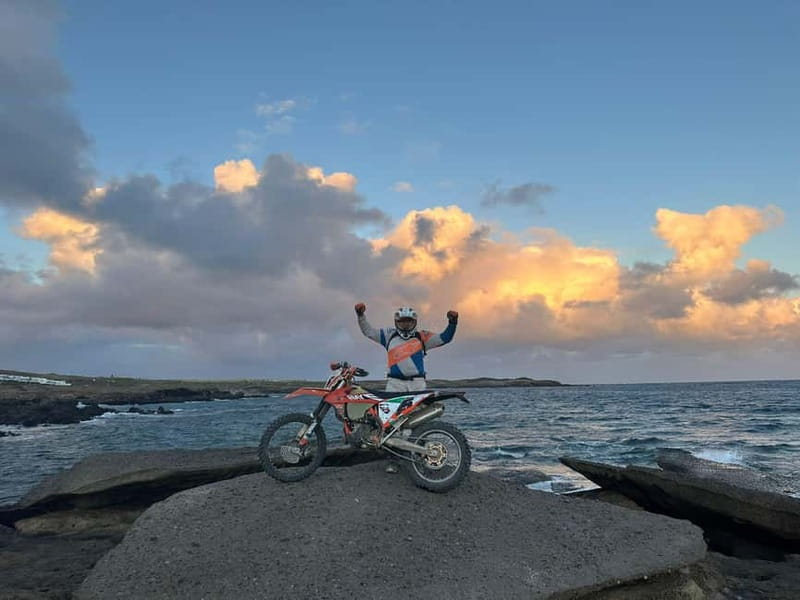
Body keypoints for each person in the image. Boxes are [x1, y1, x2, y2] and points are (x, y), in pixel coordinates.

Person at [354, 303, 458, 392]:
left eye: (409, 321)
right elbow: (369, 332)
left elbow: (445, 338)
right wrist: (360, 315)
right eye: (402, 321)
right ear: (396, 322)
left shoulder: (422, 337)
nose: (405, 325)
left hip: (417, 383)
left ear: (414, 322)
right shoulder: (388, 336)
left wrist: (452, 322)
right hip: (395, 384)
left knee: (418, 412)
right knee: (392, 414)